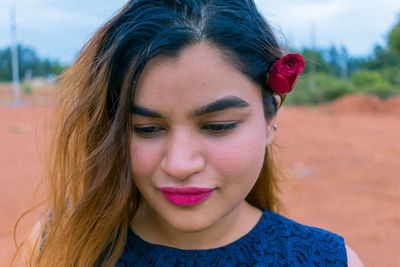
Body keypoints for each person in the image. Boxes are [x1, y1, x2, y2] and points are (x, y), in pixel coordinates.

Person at [16, 0, 364, 266]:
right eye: (147, 129)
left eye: (218, 126)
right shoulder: (61, 244)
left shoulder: (329, 260)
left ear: (271, 113)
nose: (180, 165)